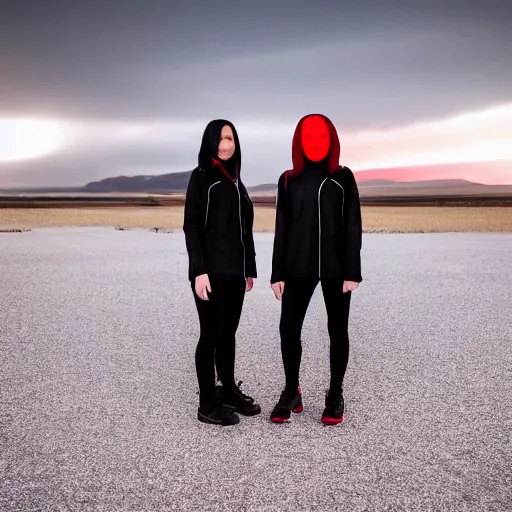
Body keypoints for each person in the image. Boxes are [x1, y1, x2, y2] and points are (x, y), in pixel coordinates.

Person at [269, 113, 363, 425]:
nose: (315, 143)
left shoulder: (343, 177)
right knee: (288, 328)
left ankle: (335, 393)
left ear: (332, 140)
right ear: (299, 141)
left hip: (337, 269)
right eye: (309, 137)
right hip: (298, 267)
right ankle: (291, 390)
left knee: (337, 330)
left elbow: (353, 225)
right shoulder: (288, 180)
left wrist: (353, 271)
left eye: (321, 137)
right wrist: (277, 273)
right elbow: (282, 228)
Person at [183, 119, 261, 426]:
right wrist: (198, 271)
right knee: (211, 334)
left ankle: (227, 390)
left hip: (235, 273)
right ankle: (206, 403)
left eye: (230, 138)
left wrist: (249, 269)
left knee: (228, 334)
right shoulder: (202, 177)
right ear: (210, 142)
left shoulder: (235, 181)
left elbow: (245, 229)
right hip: (210, 274)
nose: (226, 144)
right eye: (220, 139)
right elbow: (191, 226)